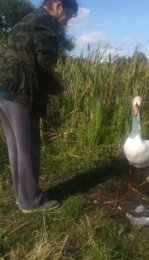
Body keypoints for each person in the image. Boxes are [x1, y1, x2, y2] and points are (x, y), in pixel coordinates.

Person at [0, 0, 78, 213]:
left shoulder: (28, 18)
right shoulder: (46, 21)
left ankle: (22, 197)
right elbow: (46, 59)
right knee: (28, 146)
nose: (67, 21)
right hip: (21, 89)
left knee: (15, 146)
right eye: (69, 15)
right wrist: (58, 82)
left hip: (4, 87)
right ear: (58, 5)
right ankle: (32, 201)